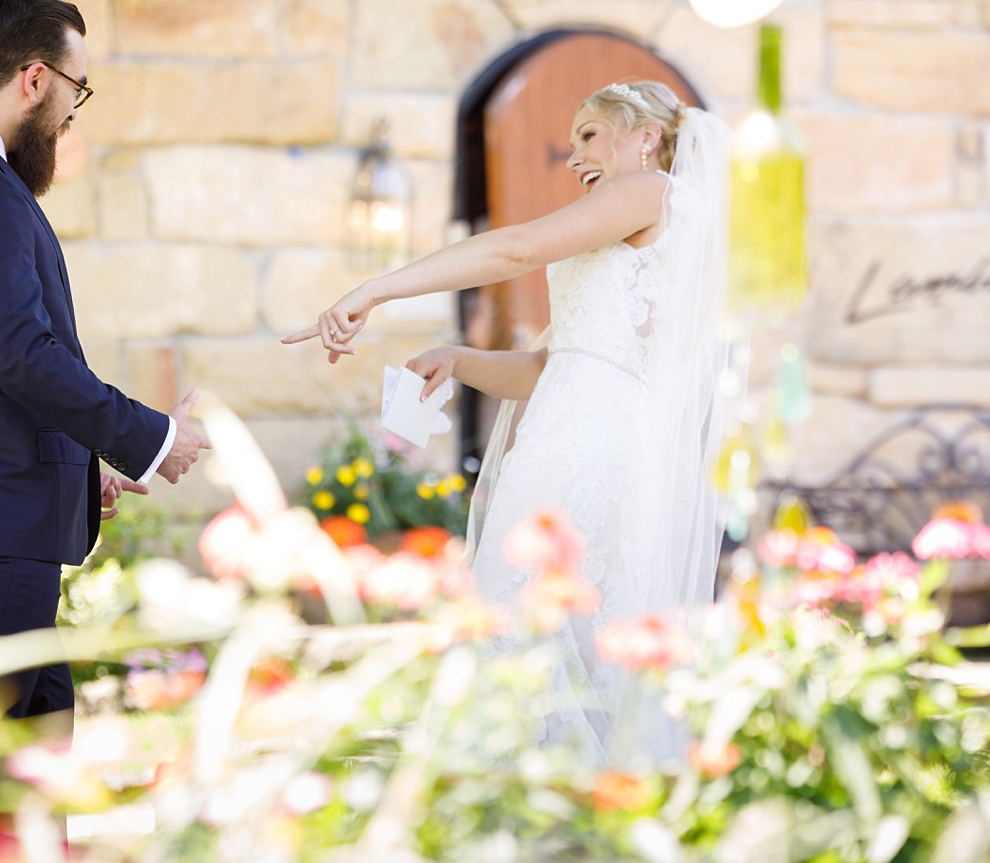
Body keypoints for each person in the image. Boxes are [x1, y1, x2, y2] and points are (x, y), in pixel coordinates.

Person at [284, 81, 728, 764]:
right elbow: (552, 368)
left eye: (590, 133)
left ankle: (541, 789)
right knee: (553, 621)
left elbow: (515, 250)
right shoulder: (626, 217)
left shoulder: (651, 191)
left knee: (527, 609)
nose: (575, 153)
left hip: (591, 443)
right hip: (570, 427)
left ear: (646, 138)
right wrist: (458, 359)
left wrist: (375, 288)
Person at [0, 0, 209, 851]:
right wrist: (153, 435)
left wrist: (82, 464)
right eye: (75, 89)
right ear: (33, 77)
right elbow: (20, 353)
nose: (69, 113)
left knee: (34, 758)